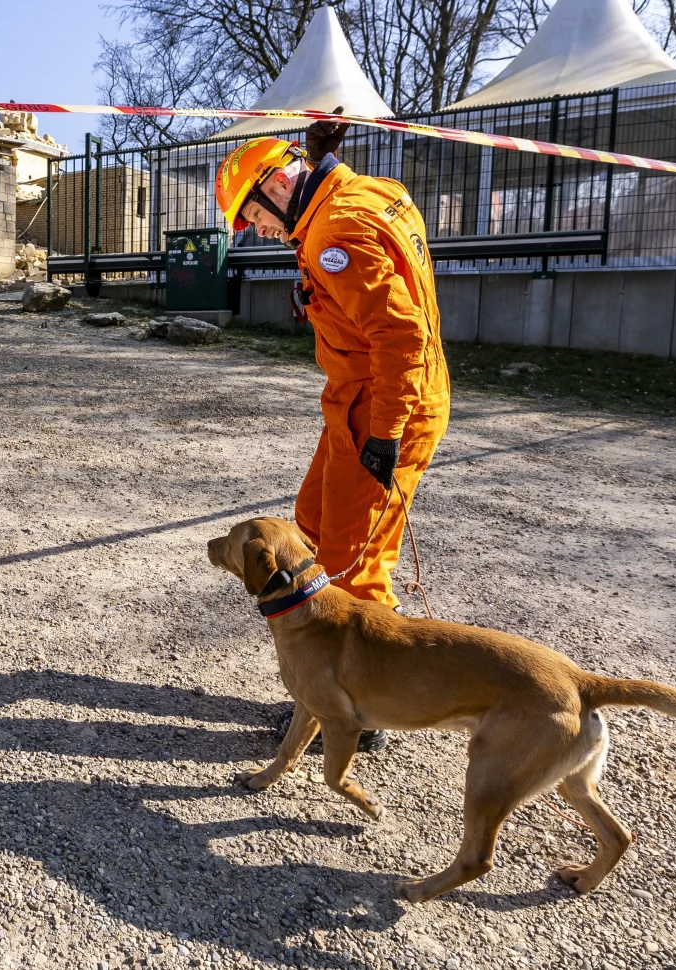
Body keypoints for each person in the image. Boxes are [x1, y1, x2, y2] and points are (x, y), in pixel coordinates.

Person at [215, 116, 451, 754]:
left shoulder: (332, 234)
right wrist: (322, 158)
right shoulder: (368, 193)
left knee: (355, 559)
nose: (256, 232)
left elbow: (398, 336)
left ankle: (363, 708)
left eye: (252, 217)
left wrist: (387, 431)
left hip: (382, 409)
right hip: (355, 404)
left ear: (275, 186)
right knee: (312, 522)